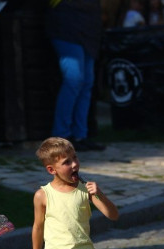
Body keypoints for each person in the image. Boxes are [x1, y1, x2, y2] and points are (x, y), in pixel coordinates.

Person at [46, 0, 105, 152]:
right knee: (74, 80)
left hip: (89, 30)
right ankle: (61, 135)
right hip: (66, 28)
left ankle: (80, 135)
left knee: (86, 83)